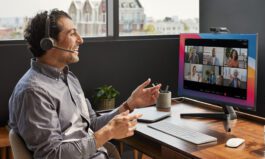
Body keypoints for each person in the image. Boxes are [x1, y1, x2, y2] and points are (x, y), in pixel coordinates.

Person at [8, 9, 161, 159]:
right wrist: (108, 133)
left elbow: (92, 124)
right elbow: (52, 155)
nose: (81, 40)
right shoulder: (33, 92)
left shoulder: (68, 78)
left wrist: (129, 104)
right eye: (72, 33)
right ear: (49, 43)